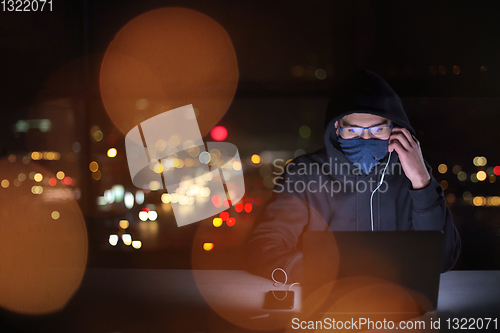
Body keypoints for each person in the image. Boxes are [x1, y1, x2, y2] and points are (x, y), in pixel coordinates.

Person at [244, 69, 461, 283]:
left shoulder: (413, 174)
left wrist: (422, 182)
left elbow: (442, 260)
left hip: (396, 305)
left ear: (394, 129)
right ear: (337, 128)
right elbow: (262, 246)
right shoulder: (305, 175)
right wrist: (318, 272)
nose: (365, 139)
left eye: (377, 130)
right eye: (354, 131)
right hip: (323, 306)